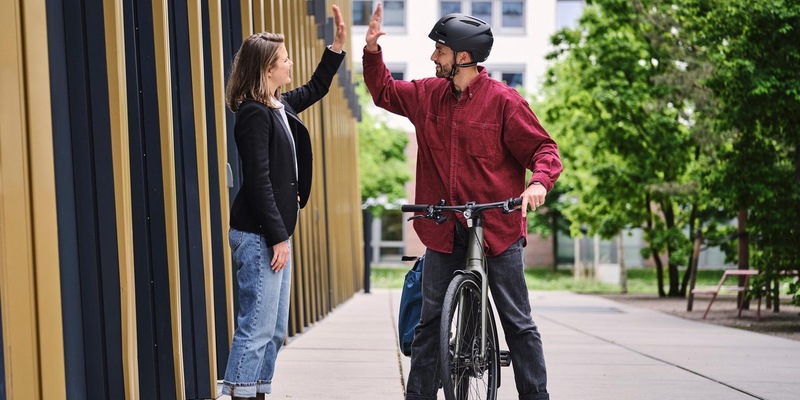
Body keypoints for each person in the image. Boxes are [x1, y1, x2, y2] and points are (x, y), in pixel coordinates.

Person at [363, 5, 561, 400]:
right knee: (429, 323)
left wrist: (539, 182)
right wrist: (371, 52)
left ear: (463, 58)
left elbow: (543, 149)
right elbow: (385, 91)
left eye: (440, 50)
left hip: (498, 228)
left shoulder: (505, 102)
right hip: (444, 227)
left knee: (518, 324)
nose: (433, 57)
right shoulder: (427, 95)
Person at [221, 5, 346, 400]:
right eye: (284, 59)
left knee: (274, 329)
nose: (290, 64)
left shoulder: (278, 106)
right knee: (256, 326)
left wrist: (336, 48)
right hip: (259, 235)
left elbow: (315, 87)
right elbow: (257, 182)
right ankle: (237, 390)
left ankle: (258, 389)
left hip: (274, 234)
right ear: (267, 69)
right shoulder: (254, 114)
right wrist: (277, 236)